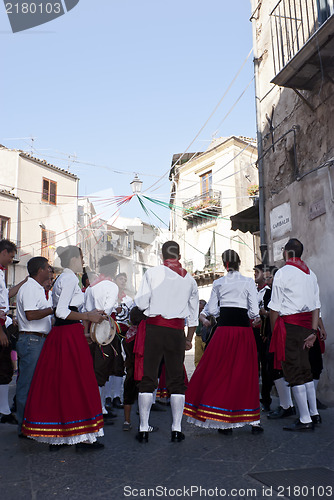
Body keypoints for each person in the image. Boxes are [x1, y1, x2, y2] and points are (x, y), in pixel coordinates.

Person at [21, 245, 106, 450]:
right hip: (68, 335)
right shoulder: (68, 279)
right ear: (74, 259)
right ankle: (80, 436)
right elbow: (60, 311)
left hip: (63, 334)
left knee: (62, 383)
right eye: (81, 257)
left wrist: (91, 314)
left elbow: (64, 310)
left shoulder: (63, 278)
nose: (83, 261)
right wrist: (88, 316)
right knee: (76, 382)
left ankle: (63, 434)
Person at [184, 249, 263, 435]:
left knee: (221, 372)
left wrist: (205, 318)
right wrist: (257, 319)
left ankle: (223, 421)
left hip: (224, 332)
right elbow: (253, 311)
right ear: (239, 262)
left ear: (224, 263)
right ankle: (254, 421)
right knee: (246, 373)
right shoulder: (248, 282)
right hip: (243, 332)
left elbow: (212, 309)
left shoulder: (219, 283)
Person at [134, 240, 199, 443]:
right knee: (176, 381)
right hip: (176, 332)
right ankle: (176, 429)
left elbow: (142, 303)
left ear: (162, 256)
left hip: (154, 329)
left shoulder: (152, 274)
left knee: (148, 377)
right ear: (179, 255)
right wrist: (188, 339)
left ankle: (143, 428)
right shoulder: (189, 279)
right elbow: (194, 316)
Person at [269, 238, 321, 431]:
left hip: (289, 327)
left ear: (286, 252)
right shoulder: (311, 274)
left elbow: (274, 308)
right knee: (305, 369)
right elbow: (316, 306)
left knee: (294, 371)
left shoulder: (282, 273)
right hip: (308, 327)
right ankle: (314, 414)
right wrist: (314, 332)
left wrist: (276, 331)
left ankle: (305, 419)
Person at [15, 257, 54, 435]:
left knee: (34, 384)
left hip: (37, 340)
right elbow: (31, 314)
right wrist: (53, 309)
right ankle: (24, 427)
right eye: (47, 267)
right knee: (27, 384)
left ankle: (31, 423)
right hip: (32, 340)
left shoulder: (36, 288)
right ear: (40, 270)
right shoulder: (30, 288)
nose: (50, 270)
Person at [83, 255, 120, 421]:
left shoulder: (91, 286)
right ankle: (100, 407)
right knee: (103, 369)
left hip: (91, 329)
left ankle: (94, 405)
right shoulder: (112, 287)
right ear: (114, 269)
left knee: (92, 368)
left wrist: (86, 332)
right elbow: (107, 310)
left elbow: (86, 312)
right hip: (105, 331)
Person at [0, 239, 27, 424]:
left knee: (5, 367)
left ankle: (4, 409)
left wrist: (23, 282)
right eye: (11, 256)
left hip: (3, 321)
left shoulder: (1, 273)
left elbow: (7, 295)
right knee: (3, 366)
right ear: (3, 252)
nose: (11, 259)